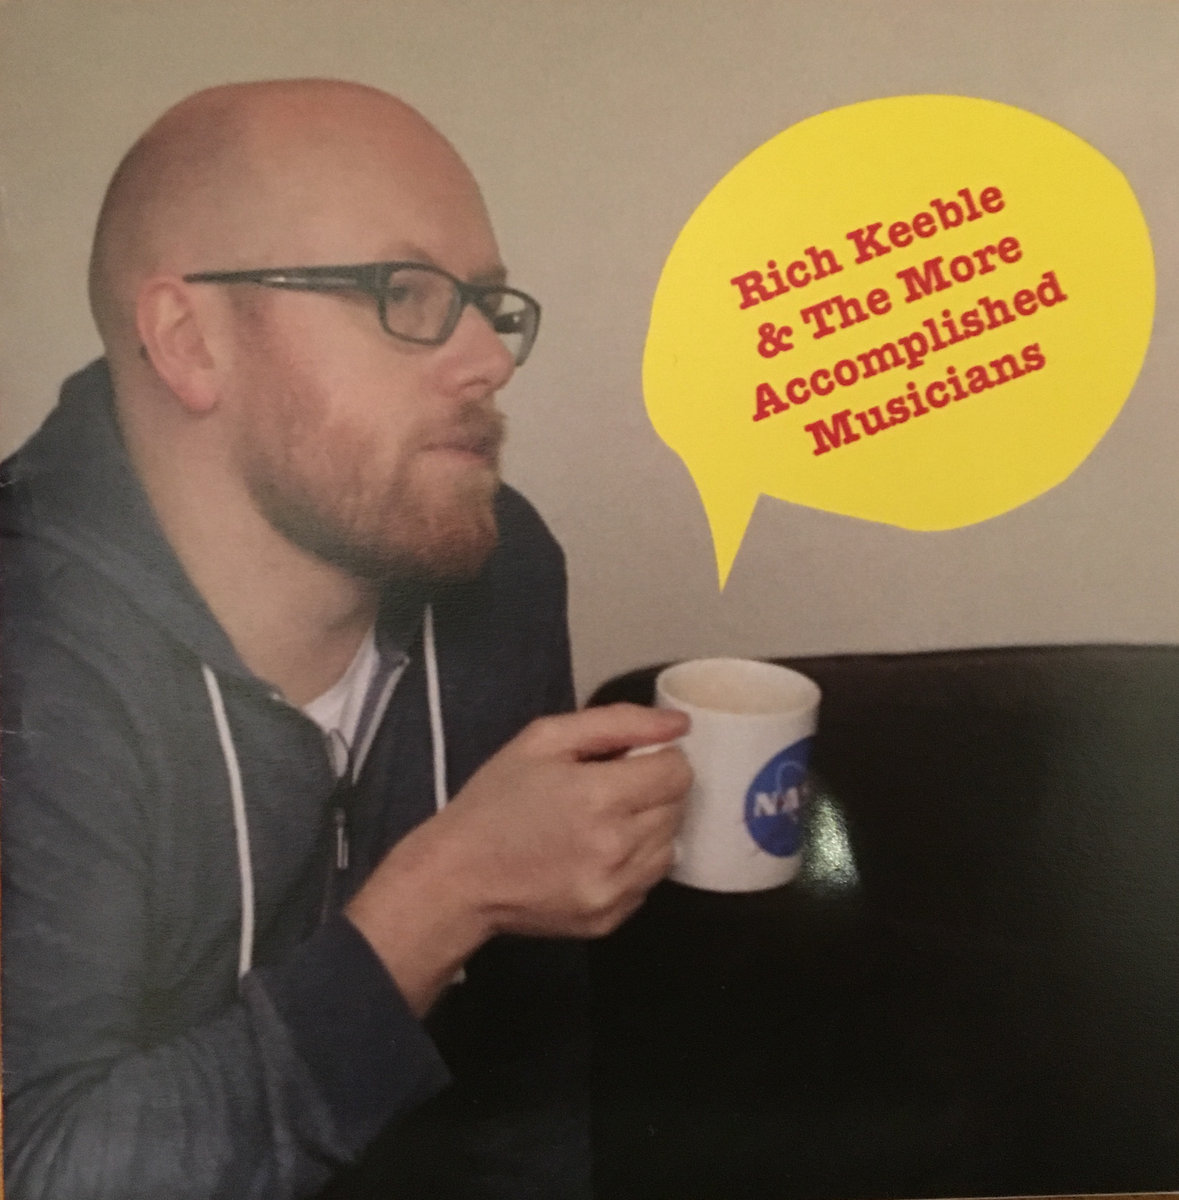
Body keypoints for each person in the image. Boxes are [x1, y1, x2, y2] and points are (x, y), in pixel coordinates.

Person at [0, 78, 691, 1200]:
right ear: (189, 340)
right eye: (402, 293)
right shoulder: (29, 657)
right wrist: (445, 893)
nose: (491, 359)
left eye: (487, 303)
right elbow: (42, 1172)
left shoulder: (500, 567)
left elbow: (526, 1084)